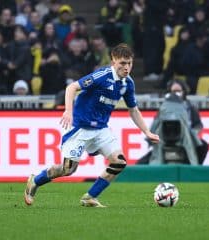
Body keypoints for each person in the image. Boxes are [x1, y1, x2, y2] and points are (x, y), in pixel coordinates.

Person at [24, 43, 160, 207]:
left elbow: (134, 110)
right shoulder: (101, 76)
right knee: (68, 169)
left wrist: (147, 131)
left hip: (101, 129)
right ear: (113, 62)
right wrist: (68, 111)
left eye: (129, 63)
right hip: (81, 128)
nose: (127, 67)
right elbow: (72, 87)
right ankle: (35, 181)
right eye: (122, 63)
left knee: (119, 162)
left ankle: (90, 197)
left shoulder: (127, 83)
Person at [137, 79, 209, 165]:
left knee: (204, 146)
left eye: (178, 91)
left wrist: (193, 133)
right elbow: (155, 124)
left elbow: (198, 124)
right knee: (140, 163)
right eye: (173, 91)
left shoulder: (190, 107)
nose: (176, 94)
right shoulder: (164, 107)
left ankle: (194, 171)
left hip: (186, 139)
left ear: (184, 91)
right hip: (164, 140)